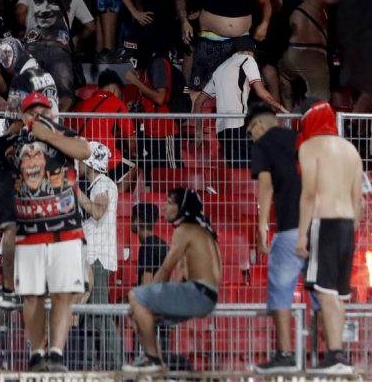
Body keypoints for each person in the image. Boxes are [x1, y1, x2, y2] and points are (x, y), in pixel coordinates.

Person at [0, 92, 92, 372]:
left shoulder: (62, 139)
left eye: (42, 110)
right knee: (32, 298)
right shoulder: (13, 148)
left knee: (64, 296)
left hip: (60, 233)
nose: (37, 116)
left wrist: (48, 137)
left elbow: (84, 152)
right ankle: (34, 351)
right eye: (31, 111)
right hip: (27, 238)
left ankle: (57, 354)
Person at [295, 100, 363, 375]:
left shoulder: (309, 147)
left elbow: (309, 194)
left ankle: (335, 356)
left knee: (325, 295)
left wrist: (302, 235)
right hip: (348, 225)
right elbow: (358, 199)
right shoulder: (350, 149)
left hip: (324, 222)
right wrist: (352, 228)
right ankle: (340, 355)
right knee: (337, 296)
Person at [123, 187, 221, 374]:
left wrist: (144, 298)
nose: (163, 207)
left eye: (169, 203)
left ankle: (153, 359)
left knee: (135, 297)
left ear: (181, 208)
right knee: (141, 316)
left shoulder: (184, 229)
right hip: (206, 296)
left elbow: (166, 270)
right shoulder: (204, 230)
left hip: (197, 293)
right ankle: (156, 360)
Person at [246, 101, 305, 374]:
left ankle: (285, 354)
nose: (252, 138)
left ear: (258, 126)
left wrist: (261, 227)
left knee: (280, 293)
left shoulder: (262, 144)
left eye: (250, 133)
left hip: (289, 229)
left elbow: (266, 184)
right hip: (317, 226)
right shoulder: (299, 139)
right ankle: (324, 356)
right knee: (319, 294)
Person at [198, 35, 283, 167]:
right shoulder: (248, 60)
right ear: (250, 52)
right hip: (238, 124)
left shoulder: (220, 68)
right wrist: (280, 108)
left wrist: (198, 129)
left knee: (237, 172)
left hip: (221, 129)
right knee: (263, 162)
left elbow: (198, 101)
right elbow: (261, 92)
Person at [77, 141, 121, 370]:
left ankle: (116, 366)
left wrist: (75, 192)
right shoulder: (101, 184)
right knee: (90, 317)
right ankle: (91, 366)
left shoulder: (102, 184)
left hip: (97, 259)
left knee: (100, 316)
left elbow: (97, 210)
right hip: (94, 258)